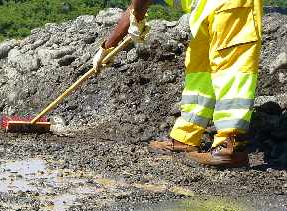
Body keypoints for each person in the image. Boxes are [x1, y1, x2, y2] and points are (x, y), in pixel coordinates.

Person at [93, 0, 263, 168]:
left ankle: (231, 144)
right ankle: (186, 136)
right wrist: (106, 48)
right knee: (199, 70)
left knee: (232, 68)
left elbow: (138, 5)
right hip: (206, 10)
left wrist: (137, 19)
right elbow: (135, 6)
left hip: (234, 6)